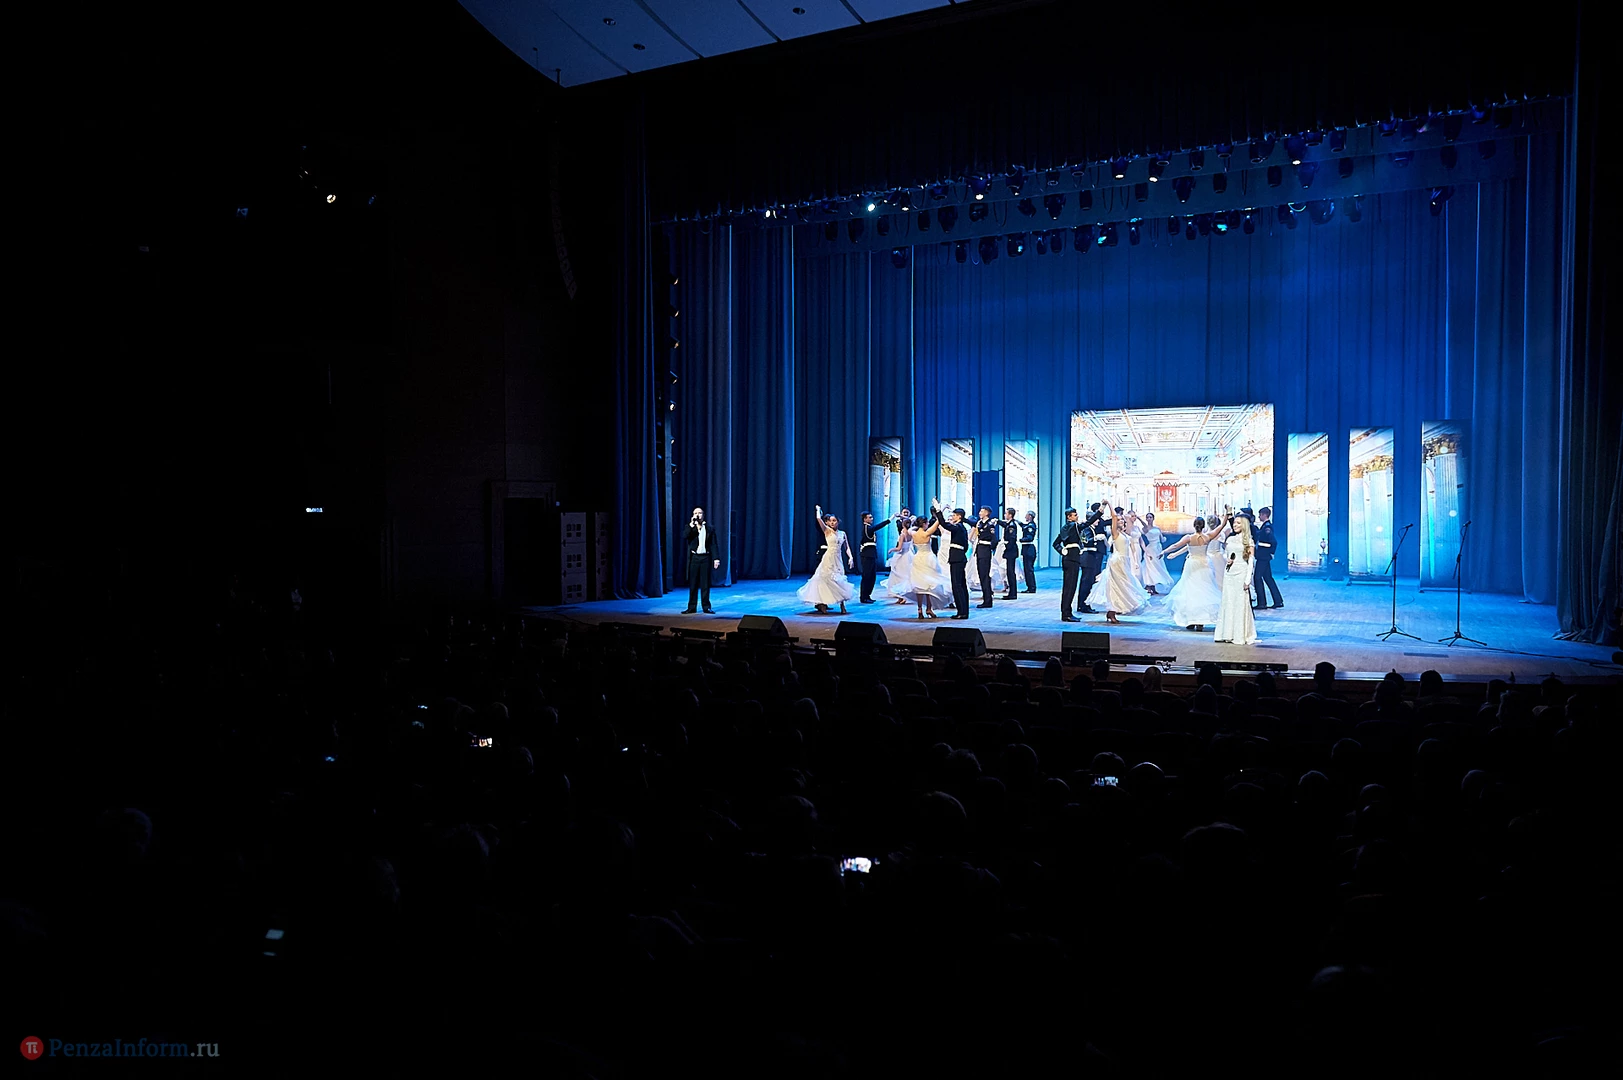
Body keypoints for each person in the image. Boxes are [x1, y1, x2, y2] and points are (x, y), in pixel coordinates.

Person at [1161, 517, 1224, 631]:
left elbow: (1175, 545)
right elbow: (1221, 526)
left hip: (1193, 565)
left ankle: (1191, 619)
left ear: (1194, 526)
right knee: (1203, 591)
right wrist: (1227, 515)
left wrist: (1164, 552)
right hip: (1204, 564)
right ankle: (1200, 621)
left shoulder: (1189, 537)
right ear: (1203, 526)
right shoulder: (1208, 536)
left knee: (1190, 591)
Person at [1085, 506, 1146, 624]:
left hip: (1125, 561)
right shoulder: (1115, 533)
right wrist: (1108, 504)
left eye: (1122, 520)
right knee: (1114, 585)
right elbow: (1114, 516)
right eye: (1118, 520)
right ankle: (1112, 611)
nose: (1121, 521)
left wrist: (1135, 562)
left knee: (1123, 585)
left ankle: (1113, 610)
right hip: (1117, 561)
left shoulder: (1124, 533)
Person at [797, 505, 854, 614]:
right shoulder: (827, 531)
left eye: (834, 520)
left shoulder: (842, 533)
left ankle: (842, 605)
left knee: (840, 581)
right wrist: (818, 510)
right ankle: (822, 604)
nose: (832, 523)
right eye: (830, 521)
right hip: (828, 558)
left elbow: (846, 547)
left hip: (838, 559)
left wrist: (850, 557)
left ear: (838, 521)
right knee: (824, 579)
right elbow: (818, 519)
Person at [1214, 514, 1259, 644]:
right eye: (1234, 523)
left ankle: (1239, 634)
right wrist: (1226, 559)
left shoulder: (1248, 541)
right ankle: (1226, 633)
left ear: (1244, 525)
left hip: (1241, 572)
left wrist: (1248, 580)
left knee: (1240, 603)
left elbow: (1251, 561)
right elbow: (1225, 553)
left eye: (1238, 523)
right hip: (1229, 572)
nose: (1235, 525)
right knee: (1228, 601)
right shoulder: (1230, 539)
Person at [902, 515, 951, 618]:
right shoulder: (927, 533)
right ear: (924, 524)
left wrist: (916, 526)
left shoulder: (914, 533)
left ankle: (920, 609)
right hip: (928, 559)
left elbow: (909, 529)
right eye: (927, 523)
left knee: (919, 585)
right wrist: (941, 511)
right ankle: (928, 608)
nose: (928, 524)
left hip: (918, 558)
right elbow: (938, 522)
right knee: (929, 585)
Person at [682, 507, 721, 614]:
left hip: (705, 558)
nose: (698, 515)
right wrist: (692, 525)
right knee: (693, 584)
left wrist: (716, 558)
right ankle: (691, 607)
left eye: (700, 513)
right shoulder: (690, 527)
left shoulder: (709, 528)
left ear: (703, 515)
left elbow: (713, 544)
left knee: (705, 583)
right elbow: (685, 536)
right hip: (694, 558)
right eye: (695, 513)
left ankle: (706, 606)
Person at [938, 503, 972, 619]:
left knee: (957, 585)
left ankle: (961, 612)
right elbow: (966, 545)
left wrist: (938, 510)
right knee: (961, 585)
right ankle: (964, 611)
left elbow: (943, 524)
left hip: (956, 558)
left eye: (954, 515)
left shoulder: (958, 527)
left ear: (959, 516)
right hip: (960, 557)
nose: (952, 517)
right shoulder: (962, 528)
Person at [1053, 507, 1085, 622]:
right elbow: (1088, 523)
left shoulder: (1065, 528)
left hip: (1068, 558)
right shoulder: (1073, 526)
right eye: (1075, 515)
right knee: (1070, 587)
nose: (1077, 517)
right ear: (1069, 517)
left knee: (1068, 587)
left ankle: (1067, 612)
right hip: (1072, 559)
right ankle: (1066, 614)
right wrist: (1101, 510)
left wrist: (1062, 551)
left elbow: (1056, 544)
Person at [857, 511, 895, 605]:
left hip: (871, 554)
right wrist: (891, 518)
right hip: (867, 555)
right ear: (865, 519)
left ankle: (867, 595)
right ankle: (864, 597)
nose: (872, 519)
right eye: (869, 517)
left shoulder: (869, 528)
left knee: (872, 576)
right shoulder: (867, 528)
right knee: (867, 576)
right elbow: (878, 527)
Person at [1252, 506, 1283, 609]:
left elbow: (1273, 542)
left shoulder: (1267, 527)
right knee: (1268, 578)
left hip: (1263, 556)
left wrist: (1271, 553)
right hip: (1263, 556)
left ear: (1264, 515)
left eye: (1260, 515)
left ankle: (1262, 602)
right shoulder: (1265, 526)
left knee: (1257, 577)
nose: (1259, 517)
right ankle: (1278, 601)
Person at [1078, 504, 1106, 614]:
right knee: (1086, 582)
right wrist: (1095, 538)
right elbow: (1085, 541)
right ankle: (1083, 605)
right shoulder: (1087, 529)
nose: (1098, 521)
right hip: (1087, 557)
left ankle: (1084, 604)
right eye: (1096, 519)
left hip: (1091, 557)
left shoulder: (1091, 529)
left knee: (1089, 582)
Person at [884, 512, 915, 603]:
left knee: (899, 576)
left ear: (902, 525)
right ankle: (900, 597)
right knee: (905, 575)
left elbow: (899, 548)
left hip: (902, 556)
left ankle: (902, 596)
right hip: (908, 555)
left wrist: (891, 550)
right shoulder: (910, 534)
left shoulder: (903, 535)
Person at [1140, 512, 1174, 595]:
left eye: (1150, 517)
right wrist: (1138, 518)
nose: (1149, 519)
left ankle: (1153, 587)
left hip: (1158, 549)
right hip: (1151, 549)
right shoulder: (1145, 528)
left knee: (1158, 567)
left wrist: (1165, 538)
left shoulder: (1157, 528)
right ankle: (1149, 586)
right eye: (1147, 517)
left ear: (1153, 518)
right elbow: (1144, 525)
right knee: (1151, 567)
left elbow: (1162, 539)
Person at [973, 507, 999, 609]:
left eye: (982, 511)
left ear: (987, 513)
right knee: (981, 575)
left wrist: (989, 549)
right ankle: (986, 597)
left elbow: (994, 540)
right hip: (979, 550)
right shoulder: (980, 523)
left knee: (984, 576)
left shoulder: (990, 524)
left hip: (985, 551)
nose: (980, 513)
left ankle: (988, 600)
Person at [1001, 508, 1021, 601]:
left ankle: (1013, 593)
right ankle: (1011, 592)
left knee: (1011, 572)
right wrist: (997, 521)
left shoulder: (1012, 525)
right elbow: (1004, 524)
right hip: (1010, 550)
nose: (1005, 515)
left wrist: (1007, 548)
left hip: (1011, 551)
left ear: (1010, 515)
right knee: (1009, 572)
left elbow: (1012, 539)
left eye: (1006, 513)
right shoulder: (1009, 524)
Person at [1019, 511, 1039, 594]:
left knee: (1029, 569)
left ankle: (1031, 587)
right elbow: (1023, 526)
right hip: (1026, 549)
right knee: (1026, 569)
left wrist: (1021, 540)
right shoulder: (1028, 525)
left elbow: (1029, 537)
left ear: (1030, 516)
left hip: (1029, 549)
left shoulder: (1031, 526)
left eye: (1026, 515)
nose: (1025, 517)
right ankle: (1029, 587)